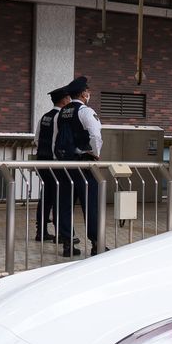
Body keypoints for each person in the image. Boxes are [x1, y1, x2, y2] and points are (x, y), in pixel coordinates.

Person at [53, 77, 104, 256]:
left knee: (65, 204)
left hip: (65, 164)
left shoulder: (61, 112)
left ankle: (68, 244)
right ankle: (97, 244)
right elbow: (95, 136)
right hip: (84, 164)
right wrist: (95, 154)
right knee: (91, 205)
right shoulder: (86, 111)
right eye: (87, 91)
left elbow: (56, 138)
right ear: (83, 94)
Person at [34, 81, 77, 241]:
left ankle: (41, 231)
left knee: (45, 197)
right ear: (64, 100)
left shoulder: (44, 116)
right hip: (55, 163)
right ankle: (62, 233)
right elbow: (57, 141)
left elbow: (37, 139)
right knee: (60, 197)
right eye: (68, 98)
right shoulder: (61, 116)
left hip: (42, 161)